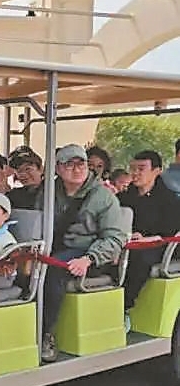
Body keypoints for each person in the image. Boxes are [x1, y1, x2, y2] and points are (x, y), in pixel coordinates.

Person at [41, 144, 126, 363]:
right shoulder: (48, 192)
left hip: (90, 253)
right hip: (54, 250)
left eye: (81, 164)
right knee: (25, 272)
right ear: (58, 168)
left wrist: (89, 259)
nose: (77, 169)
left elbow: (115, 238)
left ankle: (46, 334)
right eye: (70, 164)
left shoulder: (104, 197)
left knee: (52, 271)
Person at [118, 150, 180, 325]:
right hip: (126, 242)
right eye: (133, 169)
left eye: (141, 169)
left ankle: (125, 307)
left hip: (160, 245)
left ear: (157, 171)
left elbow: (170, 231)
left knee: (139, 259)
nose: (135, 173)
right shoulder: (124, 197)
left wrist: (147, 238)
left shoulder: (169, 199)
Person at [6, 146, 45, 210]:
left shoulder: (52, 191)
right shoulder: (15, 195)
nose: (22, 174)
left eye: (27, 169)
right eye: (19, 171)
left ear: (41, 169)